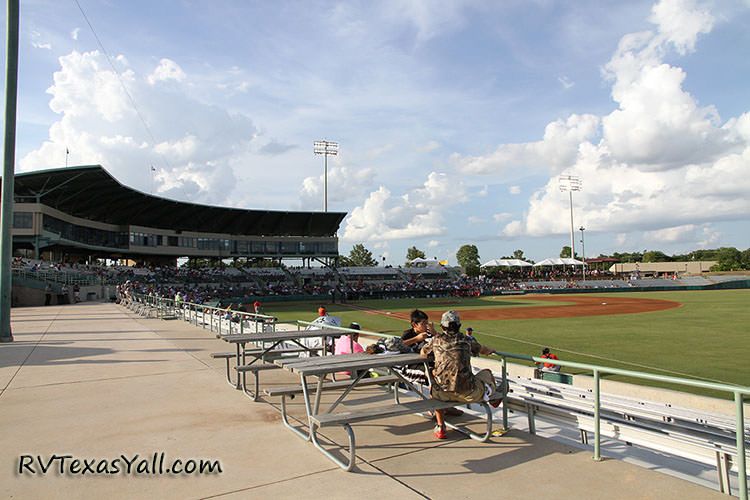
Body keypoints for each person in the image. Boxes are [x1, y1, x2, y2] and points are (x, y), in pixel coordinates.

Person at [421, 310, 498, 440]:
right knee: (487, 373)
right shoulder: (466, 340)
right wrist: (491, 350)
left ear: (442, 326)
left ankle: (440, 427)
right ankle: (493, 397)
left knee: (435, 383)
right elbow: (484, 350)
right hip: (469, 393)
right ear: (459, 326)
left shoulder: (435, 340)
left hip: (442, 394)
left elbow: (423, 352)